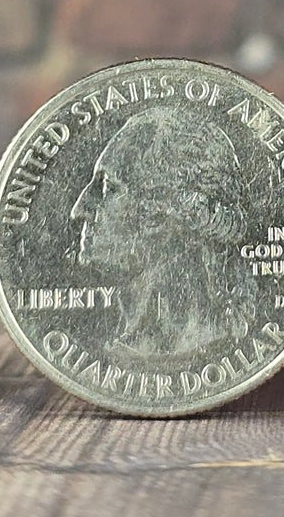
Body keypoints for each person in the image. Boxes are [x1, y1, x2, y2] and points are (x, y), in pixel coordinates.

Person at [70, 106, 253, 358]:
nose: (79, 209)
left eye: (108, 187)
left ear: (169, 212)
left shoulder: (204, 343)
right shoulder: (124, 347)